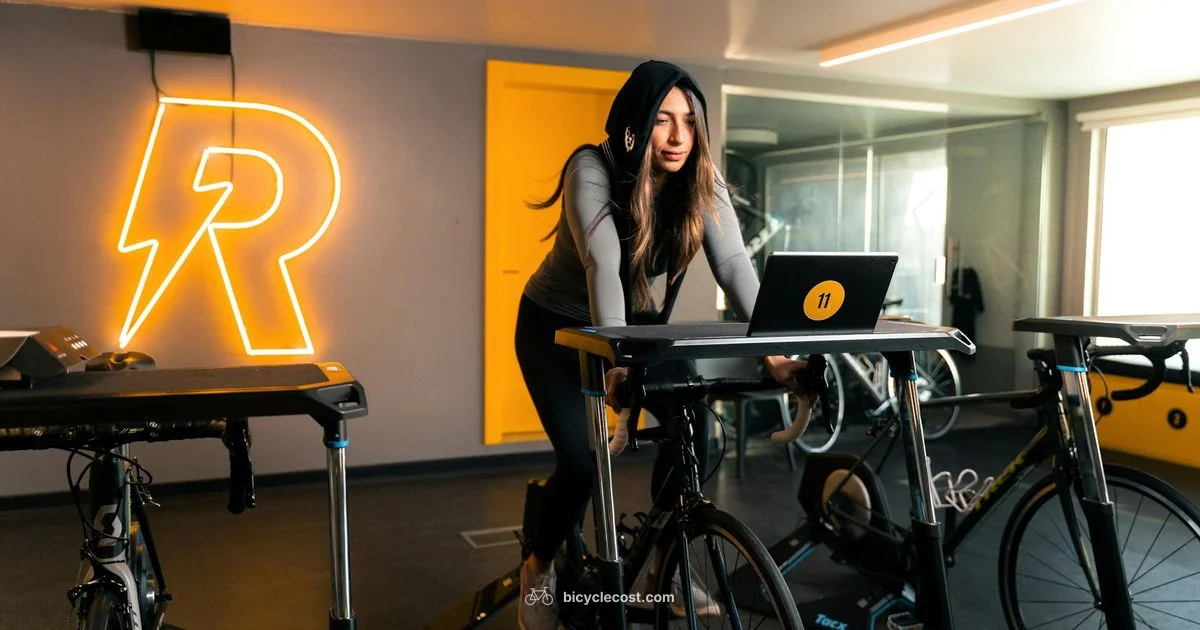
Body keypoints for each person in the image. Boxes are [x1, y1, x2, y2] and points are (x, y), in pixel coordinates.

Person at [514, 60, 813, 629]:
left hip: (636, 323)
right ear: (634, 124)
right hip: (555, 327)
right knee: (581, 463)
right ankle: (541, 567)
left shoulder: (701, 177)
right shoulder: (592, 168)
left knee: (700, 432)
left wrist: (775, 355)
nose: (679, 136)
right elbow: (603, 264)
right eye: (662, 120)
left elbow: (733, 264)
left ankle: (666, 565)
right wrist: (618, 363)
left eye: (690, 122)